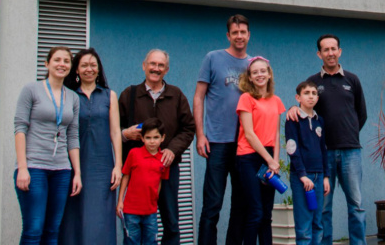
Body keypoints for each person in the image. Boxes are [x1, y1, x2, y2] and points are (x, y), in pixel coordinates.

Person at [287, 34, 368, 245]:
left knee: (356, 205)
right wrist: (293, 108)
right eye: (326, 49)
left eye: (334, 49)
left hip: (351, 151)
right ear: (319, 54)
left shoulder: (352, 80)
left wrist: (349, 132)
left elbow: (361, 114)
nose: (330, 53)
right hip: (324, 155)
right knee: (323, 208)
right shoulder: (313, 82)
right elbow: (305, 106)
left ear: (339, 51)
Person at [119, 49, 196, 245]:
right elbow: (113, 129)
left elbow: (189, 128)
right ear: (144, 66)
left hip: (166, 167)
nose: (156, 68)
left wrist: (172, 149)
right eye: (152, 64)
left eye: (161, 65)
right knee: (135, 223)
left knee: (171, 221)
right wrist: (125, 134)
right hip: (137, 172)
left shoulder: (176, 95)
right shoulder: (130, 95)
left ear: (166, 70)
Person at [14, 46, 82, 244]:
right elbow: (20, 128)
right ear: (47, 64)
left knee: (53, 231)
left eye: (66, 61)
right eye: (57, 60)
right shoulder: (31, 90)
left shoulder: (72, 97)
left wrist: (77, 173)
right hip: (34, 167)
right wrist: (23, 168)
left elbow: (73, 136)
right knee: (33, 230)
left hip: (61, 170)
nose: (62, 64)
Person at [193, 15, 251, 245]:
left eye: (243, 32)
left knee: (241, 204)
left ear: (248, 35)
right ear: (228, 35)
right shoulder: (213, 58)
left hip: (244, 144)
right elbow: (198, 97)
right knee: (212, 204)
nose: (239, 36)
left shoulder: (254, 64)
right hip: (216, 142)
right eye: (235, 32)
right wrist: (200, 135)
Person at [59, 47, 122, 245]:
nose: (89, 69)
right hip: (74, 165)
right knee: (73, 217)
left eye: (93, 65)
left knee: (101, 218)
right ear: (76, 70)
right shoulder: (68, 95)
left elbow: (115, 132)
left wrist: (118, 165)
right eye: (84, 65)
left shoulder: (109, 95)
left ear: (98, 69)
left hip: (103, 167)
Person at [236, 56, 285, 245]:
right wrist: (269, 160)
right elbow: (249, 134)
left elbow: (276, 134)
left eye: (263, 71)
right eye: (255, 72)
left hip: (269, 158)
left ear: (269, 74)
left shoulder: (276, 100)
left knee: (266, 214)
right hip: (248, 158)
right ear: (249, 77)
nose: (259, 75)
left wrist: (275, 161)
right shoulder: (246, 99)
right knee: (255, 211)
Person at [285, 80, 330, 245]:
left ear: (317, 98)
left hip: (319, 176)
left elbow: (323, 149)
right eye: (306, 93)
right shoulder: (293, 119)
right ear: (298, 97)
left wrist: (326, 176)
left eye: (314, 93)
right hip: (302, 178)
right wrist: (303, 175)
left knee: (317, 223)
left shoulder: (320, 121)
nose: (310, 96)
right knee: (304, 226)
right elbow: (292, 149)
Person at [117, 118, 171, 245]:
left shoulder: (164, 159)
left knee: (151, 241)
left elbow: (160, 182)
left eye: (156, 137)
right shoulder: (134, 154)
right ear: (142, 138)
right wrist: (120, 201)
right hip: (131, 211)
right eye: (148, 137)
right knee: (131, 241)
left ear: (162, 138)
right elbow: (125, 177)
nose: (152, 141)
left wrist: (154, 200)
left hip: (150, 212)